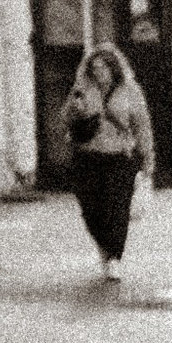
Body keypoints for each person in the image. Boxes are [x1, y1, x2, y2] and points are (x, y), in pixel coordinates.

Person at [61, 42, 154, 284]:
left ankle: (113, 256)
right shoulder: (82, 89)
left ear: (114, 68)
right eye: (94, 68)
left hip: (118, 158)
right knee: (91, 210)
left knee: (117, 209)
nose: (99, 73)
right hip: (87, 156)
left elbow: (142, 125)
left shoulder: (130, 91)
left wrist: (147, 158)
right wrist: (74, 108)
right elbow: (65, 117)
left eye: (103, 68)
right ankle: (105, 246)